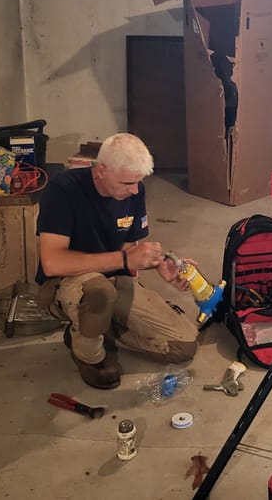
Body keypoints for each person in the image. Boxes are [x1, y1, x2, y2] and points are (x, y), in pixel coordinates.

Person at [35, 133, 198, 389]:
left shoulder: (134, 190)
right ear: (101, 171)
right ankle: (88, 356)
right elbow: (52, 263)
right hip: (64, 282)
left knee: (183, 345)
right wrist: (124, 259)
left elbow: (127, 247)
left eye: (138, 182)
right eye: (126, 183)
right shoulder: (62, 189)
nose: (134, 190)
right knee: (99, 292)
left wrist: (156, 263)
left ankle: (96, 324)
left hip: (112, 275)